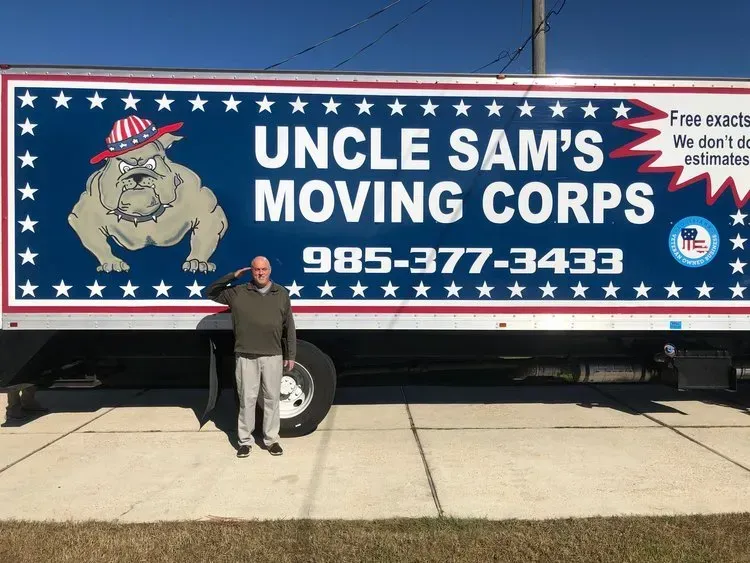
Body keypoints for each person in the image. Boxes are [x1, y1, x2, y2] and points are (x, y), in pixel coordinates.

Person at [205, 256, 296, 458]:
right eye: (256, 270)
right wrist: (232, 275)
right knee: (247, 400)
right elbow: (210, 292)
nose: (260, 273)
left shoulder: (281, 293)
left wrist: (291, 354)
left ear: (270, 270)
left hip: (273, 355)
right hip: (245, 355)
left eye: (264, 269)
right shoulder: (238, 292)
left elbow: (289, 326)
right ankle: (245, 441)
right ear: (251, 271)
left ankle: (271, 440)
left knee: (272, 399)